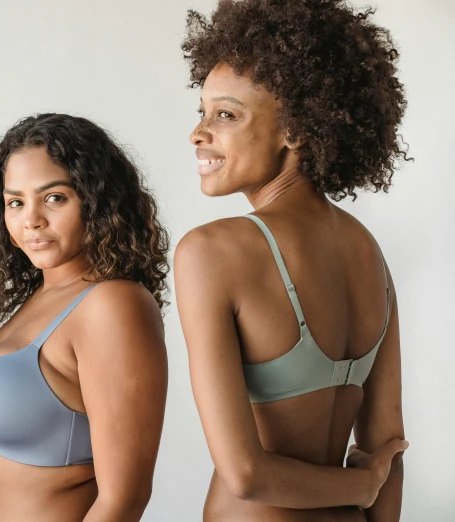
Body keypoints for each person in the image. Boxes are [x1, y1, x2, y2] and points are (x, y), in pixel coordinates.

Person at [174, 1, 410, 520]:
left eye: (226, 115)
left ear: (296, 131)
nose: (199, 132)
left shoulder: (211, 252)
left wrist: (365, 488)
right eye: (202, 112)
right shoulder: (368, 252)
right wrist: (361, 490)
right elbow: (387, 446)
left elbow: (246, 475)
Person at [0, 113, 169, 521]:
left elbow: (125, 498)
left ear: (99, 201)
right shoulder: (42, 295)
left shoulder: (113, 304)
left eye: (54, 198)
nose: (31, 219)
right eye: (16, 202)